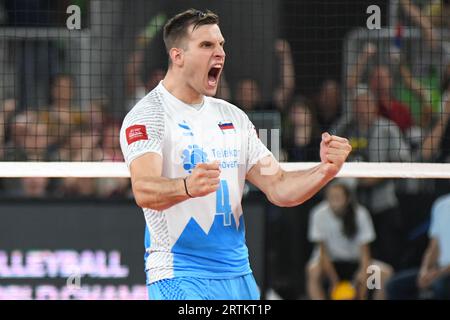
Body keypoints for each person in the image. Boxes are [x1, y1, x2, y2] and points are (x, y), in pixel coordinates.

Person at [119, 8, 351, 300]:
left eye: (221, 45)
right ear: (177, 56)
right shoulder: (148, 116)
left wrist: (326, 170)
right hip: (180, 275)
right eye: (206, 45)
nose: (220, 53)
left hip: (238, 275)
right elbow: (144, 189)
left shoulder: (233, 117)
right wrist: (187, 186)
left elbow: (279, 187)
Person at [306, 181, 393, 300]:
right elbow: (323, 253)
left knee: (385, 272)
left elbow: (365, 253)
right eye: (331, 197)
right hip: (330, 263)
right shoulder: (318, 213)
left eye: (338, 197)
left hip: (354, 262)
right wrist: (334, 281)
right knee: (312, 270)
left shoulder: (361, 214)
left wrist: (363, 275)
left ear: (347, 199)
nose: (334, 202)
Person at [386, 194, 450, 299]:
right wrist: (423, 272)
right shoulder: (440, 204)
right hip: (438, 270)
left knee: (441, 286)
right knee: (394, 286)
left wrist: (439, 274)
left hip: (444, 273)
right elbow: (433, 246)